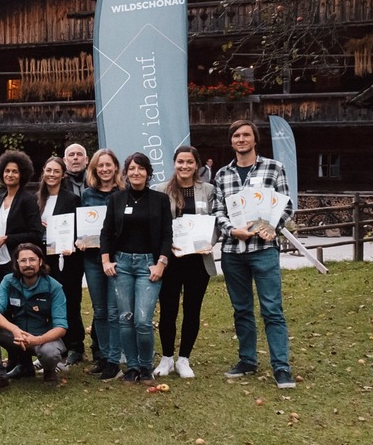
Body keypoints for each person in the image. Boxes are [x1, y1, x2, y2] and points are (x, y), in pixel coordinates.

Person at [213, 120, 296, 389]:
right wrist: (231, 230)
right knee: (241, 310)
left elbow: (286, 204)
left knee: (272, 309)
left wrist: (273, 227)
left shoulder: (273, 168)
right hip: (233, 251)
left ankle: (281, 366)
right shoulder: (222, 174)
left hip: (263, 251)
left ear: (255, 139)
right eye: (236, 135)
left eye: (246, 135)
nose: (241, 139)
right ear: (231, 141)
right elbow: (217, 211)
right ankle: (247, 360)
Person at [100, 152, 173, 385]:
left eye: (141, 168)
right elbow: (106, 232)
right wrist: (106, 261)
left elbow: (166, 234)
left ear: (148, 173)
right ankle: (131, 366)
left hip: (148, 265)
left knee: (142, 319)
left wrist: (161, 262)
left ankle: (145, 365)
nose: (136, 172)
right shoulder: (116, 199)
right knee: (125, 318)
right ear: (126, 173)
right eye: (131, 168)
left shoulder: (160, 200)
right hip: (121, 264)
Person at [153, 145, 217, 379]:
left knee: (192, 310)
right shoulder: (160, 190)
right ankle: (167, 357)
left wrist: (210, 241)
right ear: (174, 163)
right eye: (180, 161)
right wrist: (163, 244)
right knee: (167, 310)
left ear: (197, 164)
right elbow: (156, 223)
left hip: (198, 260)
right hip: (170, 261)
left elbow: (216, 221)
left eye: (189, 162)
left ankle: (184, 359)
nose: (185, 166)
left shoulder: (208, 190)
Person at [0, 243, 68, 394]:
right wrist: (14, 330)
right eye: (23, 260)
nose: (28, 264)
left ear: (40, 262)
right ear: (17, 263)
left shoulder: (54, 287)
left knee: (50, 353)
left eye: (32, 260)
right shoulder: (8, 281)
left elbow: (61, 327)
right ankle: (0, 377)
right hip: (17, 336)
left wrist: (37, 340)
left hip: (42, 337)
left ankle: (49, 369)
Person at [36, 155, 86, 365]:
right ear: (43, 172)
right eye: (48, 170)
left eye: (56, 171)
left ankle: (76, 345)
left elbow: (78, 228)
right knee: (47, 302)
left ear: (63, 174)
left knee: (69, 301)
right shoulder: (37, 199)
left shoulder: (71, 199)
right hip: (44, 257)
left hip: (67, 257)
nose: (52, 175)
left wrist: (71, 243)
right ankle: (54, 346)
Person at [80, 149, 124, 380]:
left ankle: (116, 358)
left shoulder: (124, 193)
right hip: (93, 260)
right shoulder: (87, 195)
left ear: (116, 167)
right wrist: (80, 239)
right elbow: (84, 224)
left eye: (109, 165)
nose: (105, 169)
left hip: (118, 259)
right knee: (100, 311)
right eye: (100, 166)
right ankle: (105, 357)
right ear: (94, 169)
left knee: (115, 311)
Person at [0, 149, 44, 292]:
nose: (10, 175)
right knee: (0, 303)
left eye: (15, 171)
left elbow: (36, 234)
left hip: (16, 261)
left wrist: (8, 238)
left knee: (16, 304)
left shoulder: (28, 200)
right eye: (7, 171)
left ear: (22, 175)